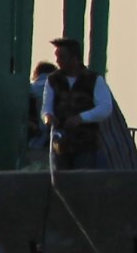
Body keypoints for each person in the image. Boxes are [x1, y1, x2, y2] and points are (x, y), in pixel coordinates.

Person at [41, 38, 115, 172]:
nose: (57, 61)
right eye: (56, 57)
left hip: (85, 143)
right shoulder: (53, 80)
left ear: (74, 58)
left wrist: (81, 118)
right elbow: (46, 107)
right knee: (61, 181)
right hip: (60, 145)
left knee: (82, 181)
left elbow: (105, 108)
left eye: (61, 57)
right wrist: (48, 117)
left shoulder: (94, 79)